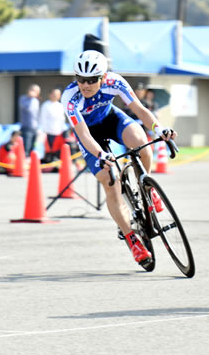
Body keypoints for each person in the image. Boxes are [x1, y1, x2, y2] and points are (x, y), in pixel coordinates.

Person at [62, 49, 177, 268]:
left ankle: (148, 187)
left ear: (103, 77)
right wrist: (102, 154)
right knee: (109, 180)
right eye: (80, 79)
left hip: (110, 119)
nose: (85, 85)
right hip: (89, 135)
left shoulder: (115, 82)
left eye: (91, 80)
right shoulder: (70, 97)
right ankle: (131, 238)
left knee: (142, 143)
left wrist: (159, 129)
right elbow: (84, 135)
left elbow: (139, 109)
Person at [39, 88, 67, 164]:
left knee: (58, 150)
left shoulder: (60, 106)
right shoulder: (46, 105)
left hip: (59, 132)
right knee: (49, 149)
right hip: (49, 131)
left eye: (57, 95)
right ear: (50, 94)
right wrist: (43, 130)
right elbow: (42, 119)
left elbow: (62, 119)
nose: (55, 96)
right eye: (54, 94)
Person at [18, 84, 41, 156]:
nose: (33, 92)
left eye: (35, 91)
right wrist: (31, 98)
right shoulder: (23, 99)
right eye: (32, 90)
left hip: (35, 128)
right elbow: (28, 109)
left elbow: (37, 115)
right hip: (26, 127)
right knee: (26, 148)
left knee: (33, 148)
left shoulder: (36, 101)